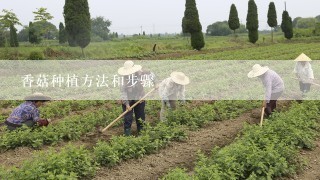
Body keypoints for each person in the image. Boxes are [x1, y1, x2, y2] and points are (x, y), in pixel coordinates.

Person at [118, 60, 155, 136]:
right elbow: (123, 93)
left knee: (140, 116)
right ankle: (127, 134)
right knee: (128, 118)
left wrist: (155, 83)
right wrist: (127, 104)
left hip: (140, 98)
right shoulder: (123, 80)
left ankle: (141, 133)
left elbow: (151, 74)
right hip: (128, 99)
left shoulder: (140, 73)